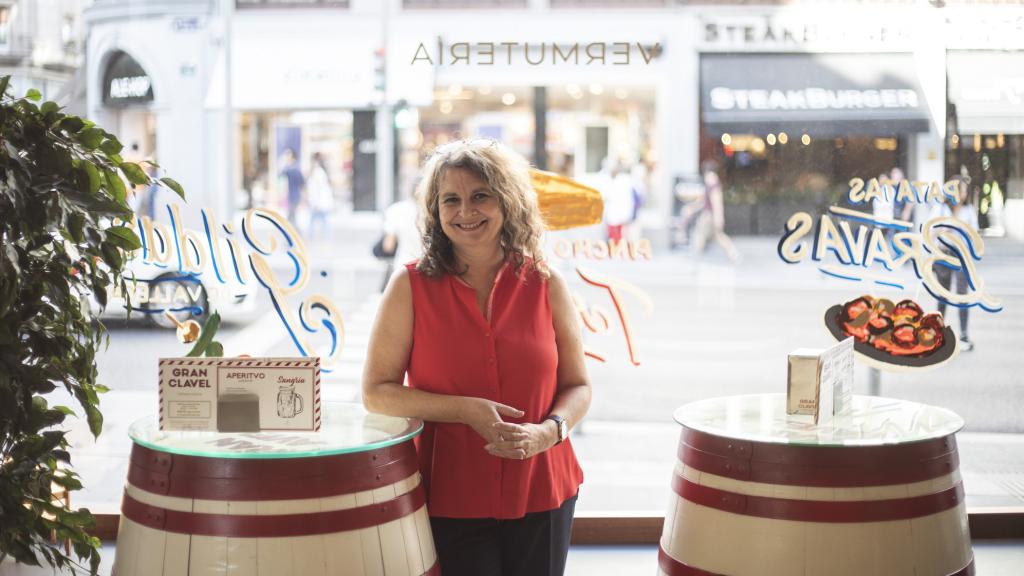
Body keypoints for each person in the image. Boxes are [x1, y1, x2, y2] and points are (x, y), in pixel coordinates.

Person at [362, 139, 591, 576]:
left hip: (543, 486)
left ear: (507, 202)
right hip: (449, 494)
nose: (466, 212)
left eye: (480, 196)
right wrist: (464, 409)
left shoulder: (546, 283)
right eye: (451, 199)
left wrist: (550, 432)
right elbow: (376, 393)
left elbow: (578, 385)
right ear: (436, 210)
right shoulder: (409, 287)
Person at [930, 175, 977, 352]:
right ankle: (938, 333)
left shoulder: (968, 210)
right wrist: (945, 228)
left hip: (962, 256)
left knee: (962, 295)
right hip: (943, 255)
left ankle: (964, 335)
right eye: (960, 190)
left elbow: (974, 234)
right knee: (943, 294)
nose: (963, 194)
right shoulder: (940, 209)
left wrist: (964, 233)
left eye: (965, 191)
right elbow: (930, 232)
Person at [691, 160, 740, 262]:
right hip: (710, 214)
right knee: (718, 236)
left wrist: (719, 217)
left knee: (700, 233)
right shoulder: (712, 181)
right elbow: (704, 200)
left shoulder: (711, 181)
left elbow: (716, 201)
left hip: (708, 215)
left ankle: (696, 255)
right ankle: (733, 253)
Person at [378, 184, 422, 292]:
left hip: (402, 265)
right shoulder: (434, 210)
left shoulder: (396, 210)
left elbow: (388, 246)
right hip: (429, 268)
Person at [306, 152, 334, 240]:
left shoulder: (318, 173)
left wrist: (316, 202)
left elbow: (318, 189)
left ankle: (315, 236)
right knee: (322, 220)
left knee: (316, 220)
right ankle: (325, 236)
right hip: (319, 202)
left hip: (318, 202)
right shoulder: (319, 172)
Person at [279, 148, 305, 226]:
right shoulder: (292, 169)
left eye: (288, 156)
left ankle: (296, 235)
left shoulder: (293, 169)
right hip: (293, 196)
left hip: (294, 196)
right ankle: (292, 234)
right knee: (291, 217)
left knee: (292, 218)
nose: (287, 158)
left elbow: (302, 184)